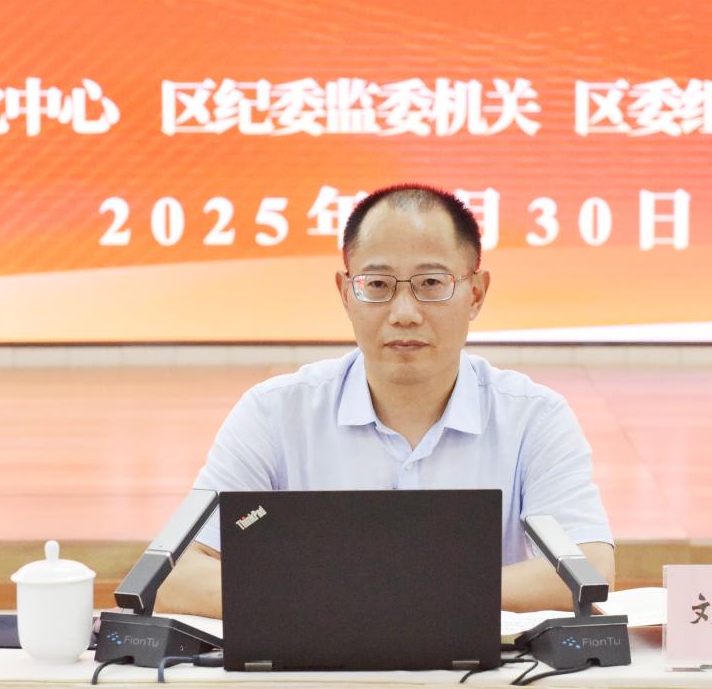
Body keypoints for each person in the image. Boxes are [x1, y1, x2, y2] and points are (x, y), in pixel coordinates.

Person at [155, 184, 614, 618]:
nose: (404, 313)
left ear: (475, 293)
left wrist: (380, 593)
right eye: (377, 285)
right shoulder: (275, 414)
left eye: (431, 283)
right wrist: (376, 595)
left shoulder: (534, 418)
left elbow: (588, 568)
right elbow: (174, 574)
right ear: (345, 293)